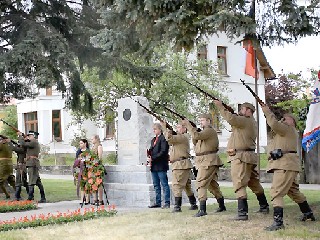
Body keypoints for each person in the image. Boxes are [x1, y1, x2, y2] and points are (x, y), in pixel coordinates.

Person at [261, 106, 315, 231]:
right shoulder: (284, 132)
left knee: (276, 191)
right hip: (288, 164)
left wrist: (266, 111)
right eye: (282, 119)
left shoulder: (288, 129)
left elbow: (273, 123)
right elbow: (273, 129)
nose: (283, 120)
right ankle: (308, 213)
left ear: (293, 122)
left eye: (286, 119)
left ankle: (278, 222)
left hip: (285, 164)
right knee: (293, 191)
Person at [213, 101, 269, 220]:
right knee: (253, 182)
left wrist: (220, 106)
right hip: (248, 156)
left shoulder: (245, 120)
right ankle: (264, 205)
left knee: (239, 182)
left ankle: (242, 213)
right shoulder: (250, 122)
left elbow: (231, 119)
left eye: (243, 109)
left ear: (249, 111)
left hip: (241, 156)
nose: (240, 111)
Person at [184, 113, 226, 217]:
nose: (201, 122)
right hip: (203, 160)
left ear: (208, 121)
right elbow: (195, 141)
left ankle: (202, 209)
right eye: (200, 120)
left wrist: (189, 126)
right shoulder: (203, 132)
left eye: (203, 120)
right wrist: (194, 129)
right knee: (212, 185)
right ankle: (221, 205)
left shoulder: (209, 131)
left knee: (200, 183)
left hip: (208, 160)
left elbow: (196, 136)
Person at [161, 121, 198, 213]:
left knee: (176, 185)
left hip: (180, 165)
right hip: (181, 164)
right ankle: (193, 203)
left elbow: (169, 138)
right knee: (186, 186)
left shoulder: (182, 137)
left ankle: (177, 206)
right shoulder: (179, 138)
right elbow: (170, 141)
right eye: (176, 127)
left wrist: (165, 128)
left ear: (184, 129)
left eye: (179, 127)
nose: (177, 129)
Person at [18, 131, 46, 203]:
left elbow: (23, 144)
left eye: (30, 136)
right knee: (37, 181)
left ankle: (30, 197)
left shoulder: (34, 142)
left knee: (31, 181)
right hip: (32, 163)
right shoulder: (32, 142)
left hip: (32, 163)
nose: (29, 137)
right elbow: (24, 145)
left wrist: (21, 136)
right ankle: (43, 197)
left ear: (33, 136)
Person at [148, 123, 170, 209]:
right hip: (154, 165)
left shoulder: (163, 139)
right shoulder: (153, 140)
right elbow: (152, 150)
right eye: (153, 129)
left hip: (161, 164)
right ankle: (158, 202)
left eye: (155, 129)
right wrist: (149, 156)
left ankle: (167, 202)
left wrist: (153, 158)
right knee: (156, 184)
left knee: (164, 184)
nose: (154, 131)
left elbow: (163, 151)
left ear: (160, 129)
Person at [73, 138, 90, 205]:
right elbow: (76, 160)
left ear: (85, 143)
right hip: (80, 169)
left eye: (81, 143)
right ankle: (82, 199)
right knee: (81, 184)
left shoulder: (88, 151)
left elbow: (89, 159)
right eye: (79, 143)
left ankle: (87, 199)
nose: (80, 145)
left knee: (87, 184)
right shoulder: (78, 151)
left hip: (87, 168)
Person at [91, 134, 105, 205]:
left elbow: (99, 158)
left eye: (92, 139)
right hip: (92, 167)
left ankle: (100, 199)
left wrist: (96, 163)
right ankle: (95, 199)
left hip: (97, 166)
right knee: (93, 183)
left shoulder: (99, 146)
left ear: (96, 139)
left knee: (99, 183)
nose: (91, 140)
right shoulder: (93, 147)